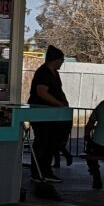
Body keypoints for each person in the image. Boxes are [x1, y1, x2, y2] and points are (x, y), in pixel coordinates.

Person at [27, 46, 70, 182]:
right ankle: (39, 172)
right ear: (55, 60)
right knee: (42, 142)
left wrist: (64, 103)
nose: (62, 63)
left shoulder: (54, 73)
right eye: (61, 60)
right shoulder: (43, 73)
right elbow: (42, 92)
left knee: (50, 142)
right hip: (41, 113)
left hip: (52, 115)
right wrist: (59, 104)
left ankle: (46, 170)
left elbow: (58, 91)